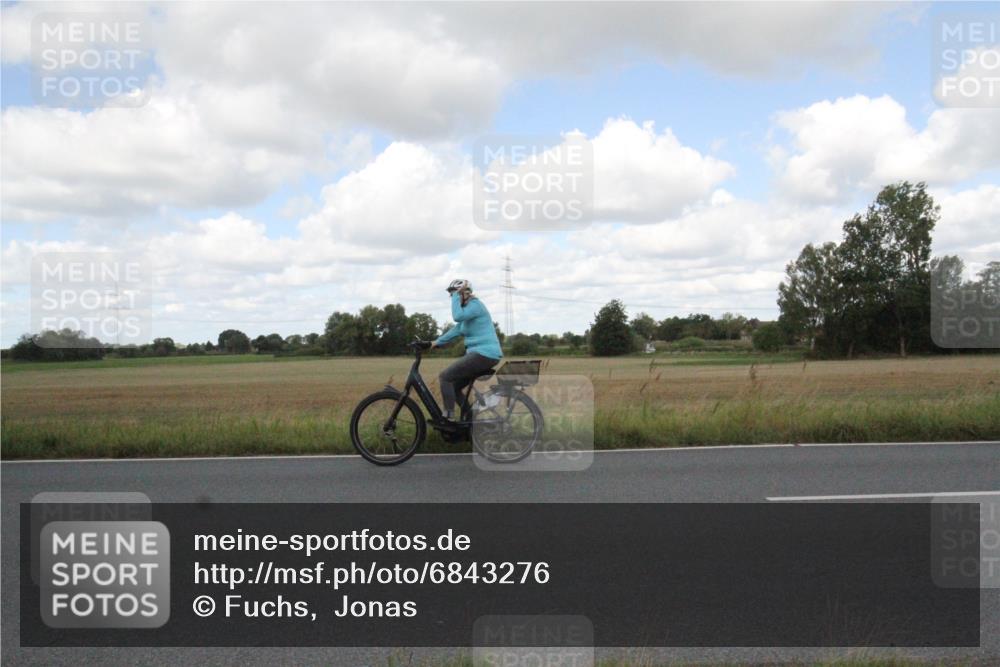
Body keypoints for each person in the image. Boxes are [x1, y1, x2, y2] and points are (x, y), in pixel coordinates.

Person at [431, 279, 503, 420]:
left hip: (485, 354)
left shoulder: (476, 305)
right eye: (452, 296)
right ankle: (470, 420)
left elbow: (457, 317)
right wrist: (434, 343)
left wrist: (456, 296)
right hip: (481, 354)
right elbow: (456, 330)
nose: (452, 298)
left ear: (464, 293)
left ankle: (448, 418)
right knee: (455, 386)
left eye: (454, 295)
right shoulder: (468, 312)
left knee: (445, 377)